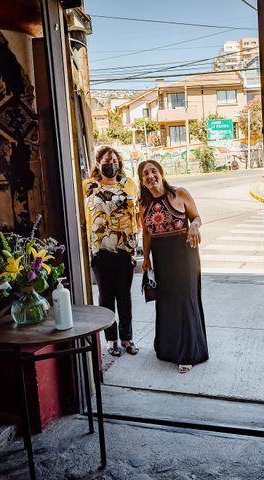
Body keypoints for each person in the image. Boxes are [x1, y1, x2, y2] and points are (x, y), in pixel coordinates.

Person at [138, 160, 209, 373]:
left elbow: (196, 217)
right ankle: (168, 350)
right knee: (167, 302)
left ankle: (188, 354)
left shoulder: (180, 194)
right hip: (161, 255)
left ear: (161, 173)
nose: (151, 176)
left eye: (153, 171)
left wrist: (194, 227)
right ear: (142, 180)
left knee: (185, 301)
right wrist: (146, 257)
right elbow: (147, 232)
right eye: (145, 174)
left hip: (183, 252)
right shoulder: (143, 204)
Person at [83, 146, 140, 356]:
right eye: (107, 160)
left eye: (114, 160)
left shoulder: (130, 184)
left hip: (126, 249)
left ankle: (127, 338)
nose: (111, 164)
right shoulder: (88, 186)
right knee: (106, 296)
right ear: (98, 163)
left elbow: (137, 213)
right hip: (101, 250)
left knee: (124, 295)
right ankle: (110, 340)